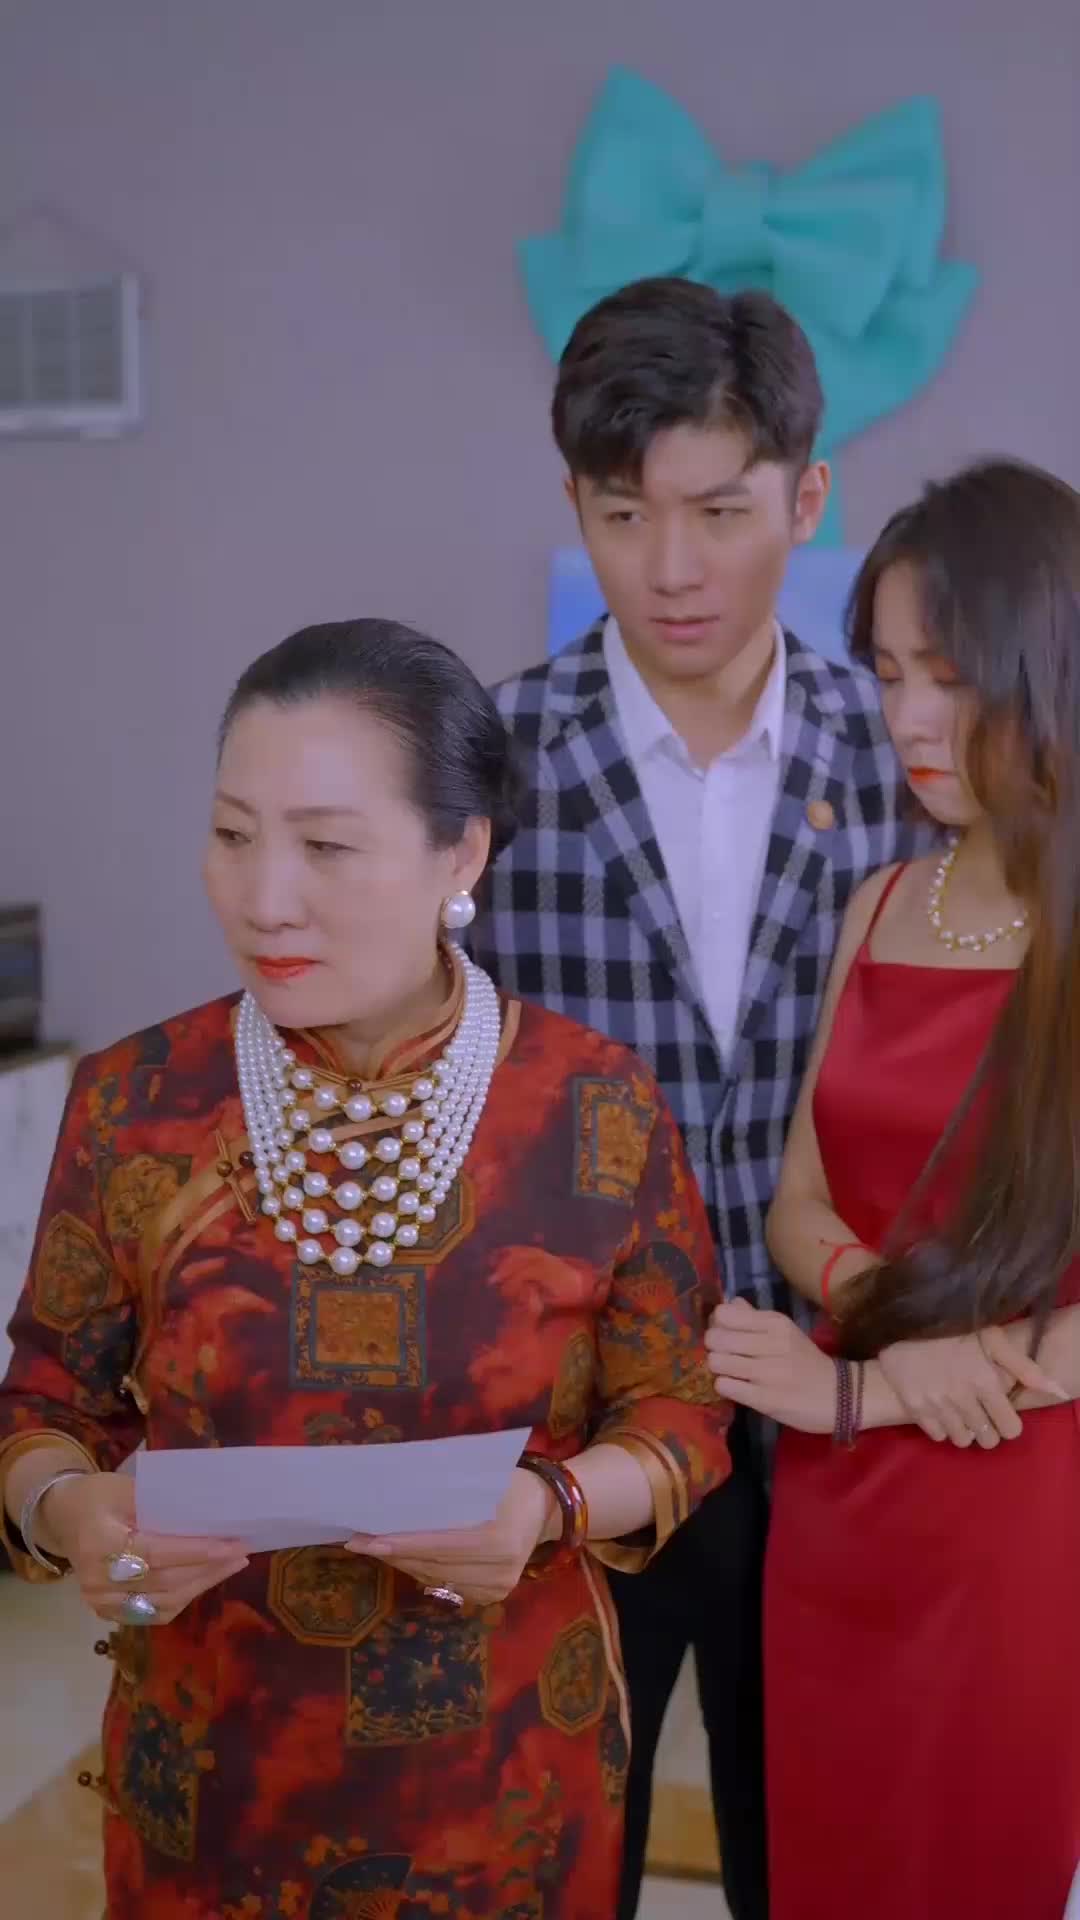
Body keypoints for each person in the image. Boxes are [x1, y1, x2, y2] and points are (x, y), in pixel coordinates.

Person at [0, 619, 733, 1920]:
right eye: (233, 835)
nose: (264, 896)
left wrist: (549, 1506)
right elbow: (44, 1403)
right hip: (209, 1784)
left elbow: (680, 1410)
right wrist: (72, 1513)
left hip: (508, 1783)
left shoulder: (593, 1107)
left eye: (326, 846)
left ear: (462, 855)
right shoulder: (137, 1102)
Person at [469, 276, 928, 1919]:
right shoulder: (492, 765)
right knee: (555, 1852)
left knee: (807, 1850)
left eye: (721, 513)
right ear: (576, 504)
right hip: (579, 1428)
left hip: (843, 1414)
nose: (671, 567)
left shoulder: (903, 758)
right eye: (623, 514)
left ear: (807, 501)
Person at [704, 458, 1080, 1919]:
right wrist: (884, 1332)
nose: (909, 719)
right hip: (842, 1477)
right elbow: (800, 1200)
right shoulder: (882, 902)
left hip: (1029, 1499)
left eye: (952, 678)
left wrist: (895, 1380)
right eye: (888, 673)